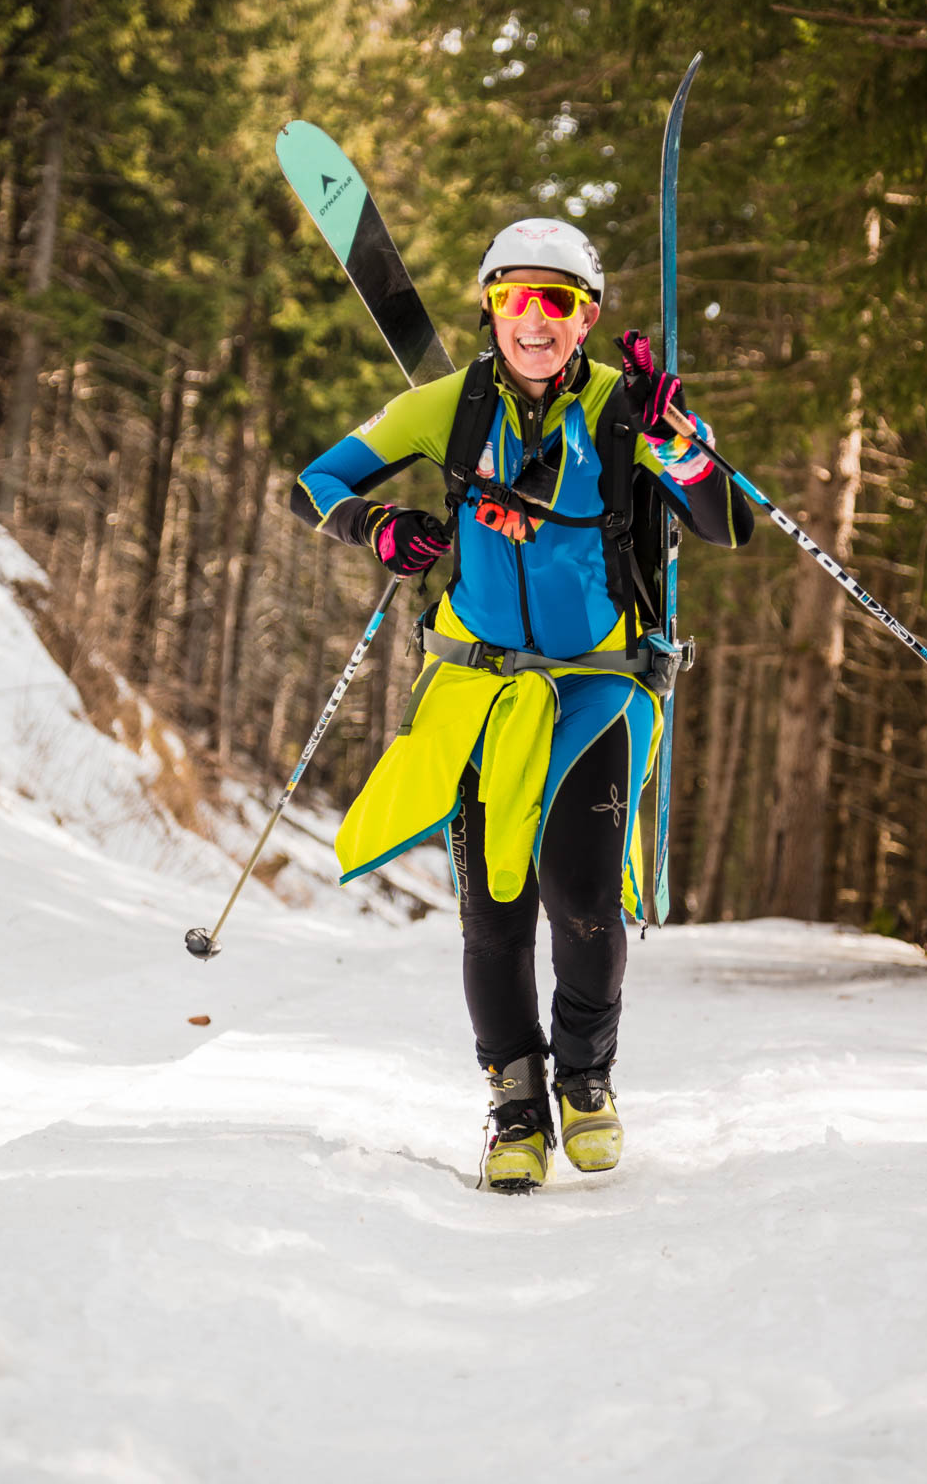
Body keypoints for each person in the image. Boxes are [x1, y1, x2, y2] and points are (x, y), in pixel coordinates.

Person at [291, 217, 753, 1193]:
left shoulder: (629, 410)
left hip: (597, 688)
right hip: (477, 689)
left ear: (586, 316)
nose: (533, 319)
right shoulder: (448, 406)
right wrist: (376, 526)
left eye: (557, 300)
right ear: (489, 308)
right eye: (513, 297)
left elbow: (725, 521)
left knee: (581, 900)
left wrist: (676, 443)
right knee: (493, 915)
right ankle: (514, 1108)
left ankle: (585, 1079)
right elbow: (314, 483)